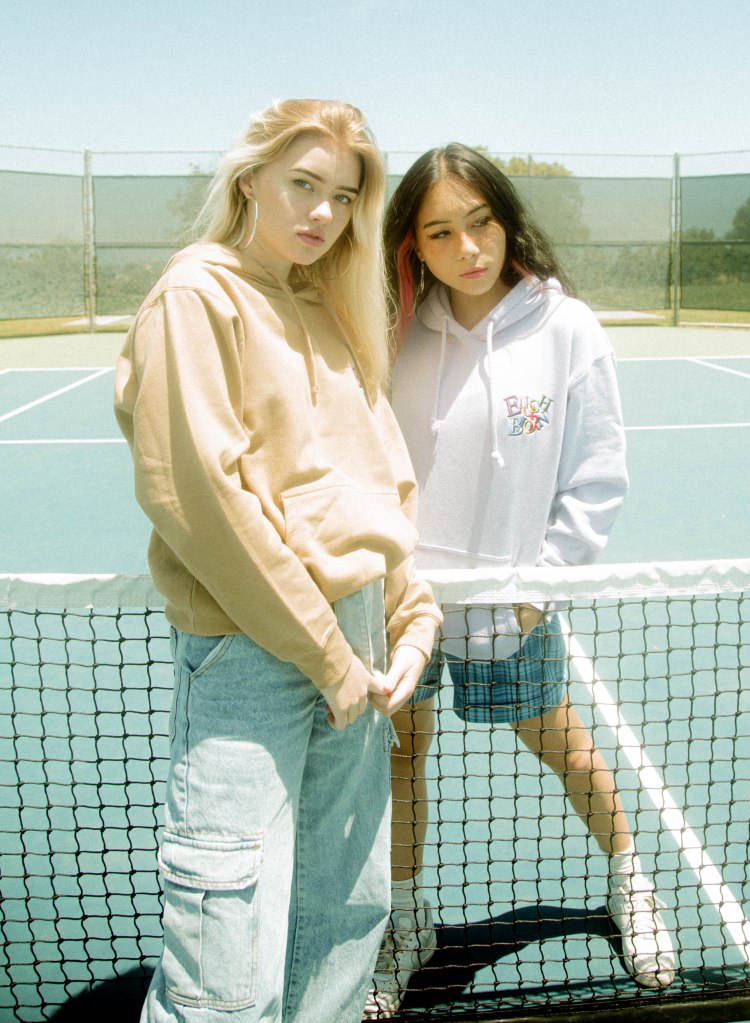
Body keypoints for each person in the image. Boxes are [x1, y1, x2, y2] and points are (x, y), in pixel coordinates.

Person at [113, 99, 442, 1023]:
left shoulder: (332, 309)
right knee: (225, 967)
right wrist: (327, 657)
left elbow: (380, 484)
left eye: (345, 196)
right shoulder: (196, 296)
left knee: (342, 918)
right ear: (250, 177)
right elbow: (202, 501)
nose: (324, 213)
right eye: (303, 183)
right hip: (255, 653)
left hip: (361, 650)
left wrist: (412, 616)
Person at [364, 143, 676, 1018]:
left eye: (481, 222)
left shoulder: (566, 327)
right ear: (412, 244)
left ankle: (630, 880)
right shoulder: (392, 326)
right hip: (403, 603)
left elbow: (598, 474)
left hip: (513, 605)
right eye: (440, 232)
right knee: (401, 759)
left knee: (565, 748)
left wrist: (541, 586)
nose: (467, 246)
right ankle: (407, 921)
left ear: (506, 221)